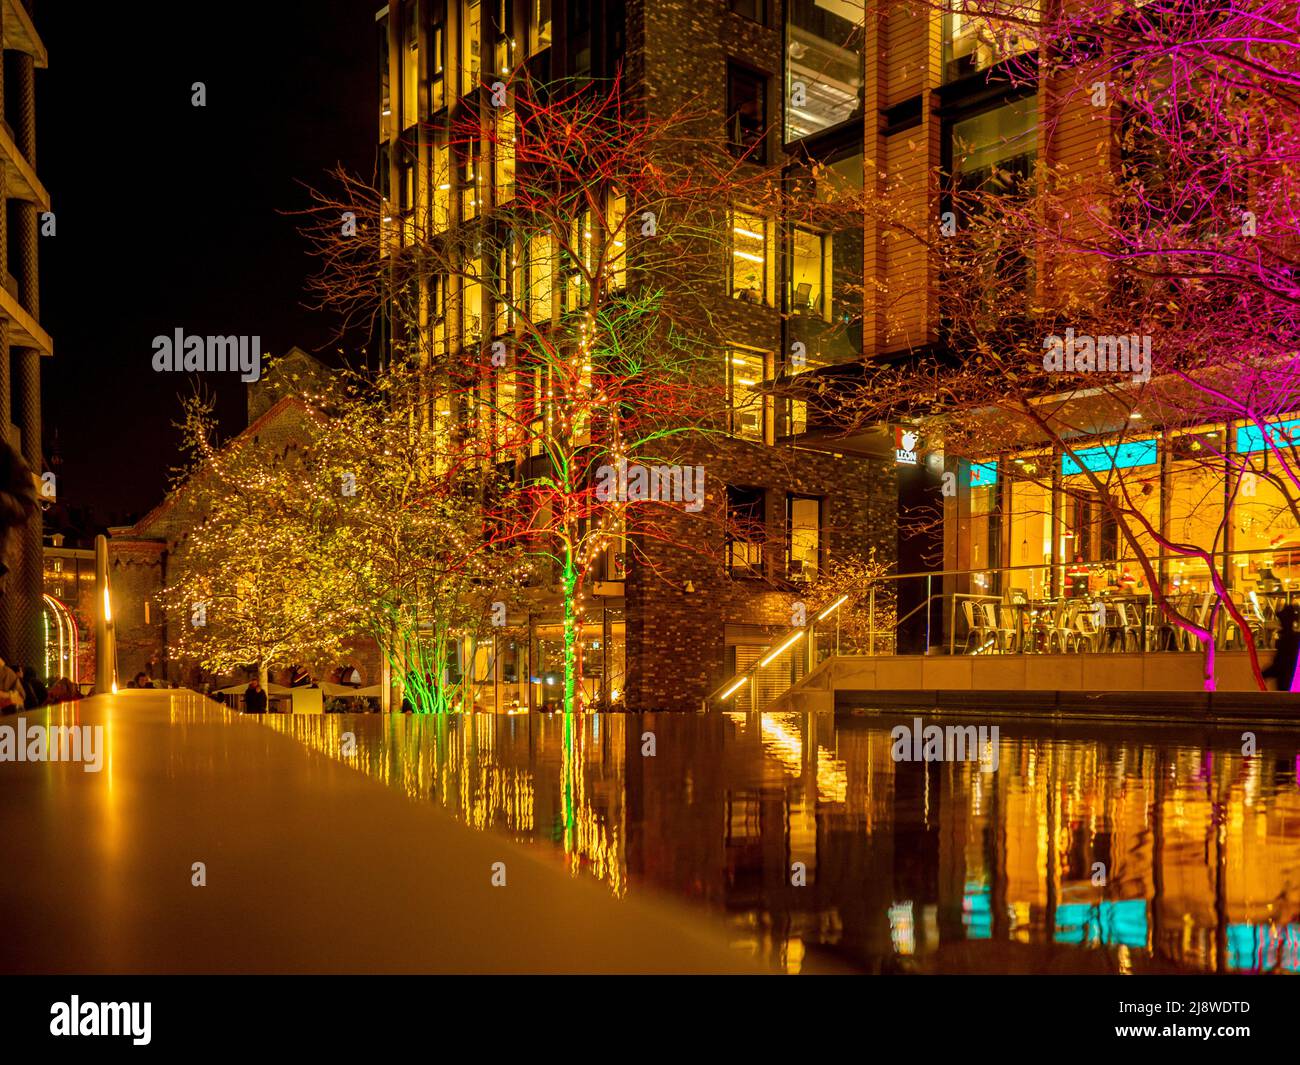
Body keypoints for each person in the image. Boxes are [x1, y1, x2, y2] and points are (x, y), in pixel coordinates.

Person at [1264, 605, 1300, 691]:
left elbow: (1280, 665)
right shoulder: (1295, 638)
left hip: (1288, 685)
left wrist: (1264, 674)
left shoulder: (1286, 640)